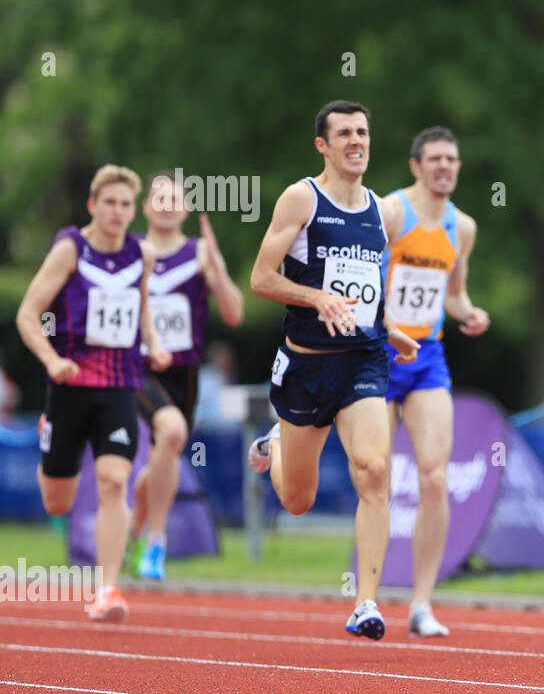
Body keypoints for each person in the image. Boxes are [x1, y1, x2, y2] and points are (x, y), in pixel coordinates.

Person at [247, 100, 420, 640]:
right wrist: (314, 298)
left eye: (363, 132)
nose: (356, 141)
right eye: (343, 133)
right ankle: (276, 443)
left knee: (374, 470)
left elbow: (367, 293)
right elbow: (260, 277)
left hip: (363, 362)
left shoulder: (384, 212)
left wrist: (387, 328)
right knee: (297, 501)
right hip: (306, 365)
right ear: (322, 144)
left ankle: (365, 602)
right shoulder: (302, 198)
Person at [15, 164, 170, 622]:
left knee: (114, 481)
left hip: (120, 385)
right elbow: (28, 313)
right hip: (69, 387)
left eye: (126, 205)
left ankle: (107, 590)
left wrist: (155, 345)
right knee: (57, 501)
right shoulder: (71, 249)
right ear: (93, 205)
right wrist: (50, 360)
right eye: (110, 204)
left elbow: (141, 306)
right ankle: (50, 433)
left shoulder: (139, 254)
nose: (118, 213)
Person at [381, 126, 490, 638]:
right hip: (377, 353)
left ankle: (422, 603)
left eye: (452, 159)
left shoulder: (461, 226)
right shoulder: (390, 212)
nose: (445, 166)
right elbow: (361, 277)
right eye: (436, 159)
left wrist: (469, 313)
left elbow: (453, 293)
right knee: (374, 474)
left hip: (427, 357)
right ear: (416, 166)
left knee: (434, 477)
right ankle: (367, 596)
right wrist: (385, 326)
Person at [127, 172, 245, 580]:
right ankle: (156, 542)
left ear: (186, 207)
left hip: (185, 374)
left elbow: (234, 314)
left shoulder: (199, 254)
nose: (166, 204)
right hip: (138, 367)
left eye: (173, 197)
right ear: (145, 207)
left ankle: (135, 520)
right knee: (173, 434)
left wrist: (219, 268)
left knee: (166, 452)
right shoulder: (131, 252)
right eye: (157, 197)